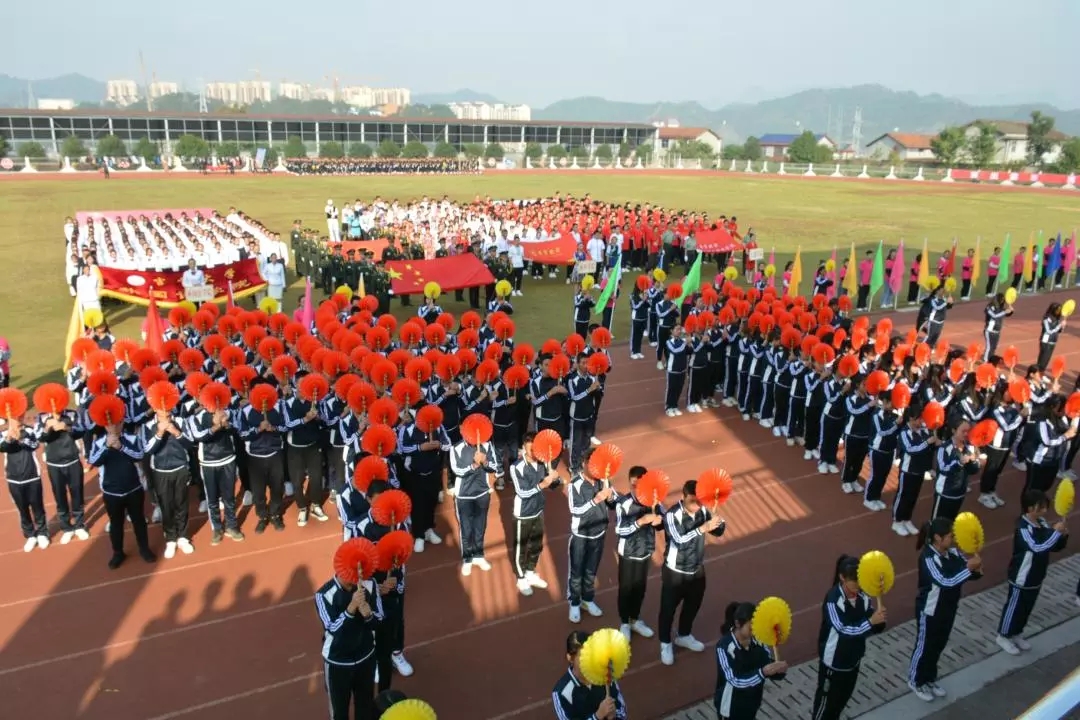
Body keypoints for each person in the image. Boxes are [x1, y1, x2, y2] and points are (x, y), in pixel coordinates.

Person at [909, 517, 982, 702]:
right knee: (925, 646)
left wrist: (976, 570)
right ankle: (916, 680)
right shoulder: (928, 558)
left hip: (948, 608)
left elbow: (964, 572)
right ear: (937, 538)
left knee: (938, 645)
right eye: (950, 536)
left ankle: (929, 679)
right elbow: (945, 581)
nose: (953, 539)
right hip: (930, 610)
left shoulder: (953, 552)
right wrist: (968, 569)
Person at [811, 555, 887, 720]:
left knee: (840, 702)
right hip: (834, 663)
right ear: (842, 578)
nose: (857, 585)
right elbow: (843, 630)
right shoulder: (833, 600)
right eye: (853, 581)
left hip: (853, 660)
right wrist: (870, 622)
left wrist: (879, 621)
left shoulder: (863, 596)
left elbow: (870, 623)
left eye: (859, 580)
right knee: (825, 705)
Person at [659, 479, 725, 665]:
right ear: (684, 497)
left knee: (693, 605)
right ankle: (665, 643)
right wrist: (703, 528)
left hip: (696, 569)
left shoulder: (703, 510)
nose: (697, 505)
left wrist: (717, 519)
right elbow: (679, 540)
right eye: (693, 501)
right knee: (668, 609)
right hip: (675, 571)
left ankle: (684, 635)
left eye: (699, 501)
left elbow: (719, 531)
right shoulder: (671, 515)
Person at [996, 490, 1068, 655]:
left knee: (1027, 607)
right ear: (1029, 508)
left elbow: (1051, 545)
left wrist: (1062, 537)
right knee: (1015, 606)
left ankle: (1017, 633)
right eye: (1040, 507)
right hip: (1022, 576)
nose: (1044, 510)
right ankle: (1003, 635)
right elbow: (1037, 547)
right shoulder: (1023, 528)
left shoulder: (1042, 522)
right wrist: (1055, 533)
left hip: (1036, 575)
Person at [358, 481, 414, 687]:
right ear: (368, 500)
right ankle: (375, 660)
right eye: (377, 500)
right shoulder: (360, 526)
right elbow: (357, 562)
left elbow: (404, 552)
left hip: (393, 580)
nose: (382, 505)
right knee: (373, 622)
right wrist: (374, 587)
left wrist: (396, 580)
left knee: (397, 618)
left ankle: (397, 653)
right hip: (372, 583)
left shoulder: (398, 523)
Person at [316, 542, 381, 720]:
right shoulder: (324, 595)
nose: (358, 577)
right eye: (354, 572)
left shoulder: (370, 584)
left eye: (360, 571)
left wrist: (369, 615)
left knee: (365, 707)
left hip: (366, 657)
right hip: (337, 662)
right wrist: (351, 609)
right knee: (339, 712)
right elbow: (332, 628)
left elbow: (379, 620)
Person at [87, 420, 156, 568]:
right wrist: (106, 446)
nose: (113, 427)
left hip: (133, 488)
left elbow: (139, 455)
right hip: (111, 492)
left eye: (117, 424)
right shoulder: (99, 442)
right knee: (116, 523)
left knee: (139, 520)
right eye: (109, 425)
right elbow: (93, 460)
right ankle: (118, 553)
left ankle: (144, 549)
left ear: (122, 424)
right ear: (105, 426)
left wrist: (121, 447)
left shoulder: (132, 438)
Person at [714, 601, 787, 720]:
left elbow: (766, 663)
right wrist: (762, 672)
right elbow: (734, 680)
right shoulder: (724, 647)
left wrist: (778, 670)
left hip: (752, 703)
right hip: (731, 708)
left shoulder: (758, 640)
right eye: (751, 626)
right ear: (738, 624)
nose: (754, 630)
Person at [567, 446, 616, 622]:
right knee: (576, 572)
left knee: (591, 571)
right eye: (592, 463)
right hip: (581, 536)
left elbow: (614, 504)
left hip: (599, 534)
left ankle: (587, 600)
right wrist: (596, 499)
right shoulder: (575, 484)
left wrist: (610, 497)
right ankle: (574, 603)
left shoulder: (604, 480)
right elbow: (575, 509)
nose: (596, 467)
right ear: (584, 463)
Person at [188, 394, 244, 545]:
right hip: (208, 463)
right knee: (212, 499)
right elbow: (198, 436)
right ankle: (217, 528)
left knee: (229, 497)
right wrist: (216, 426)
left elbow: (238, 428)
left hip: (228, 459)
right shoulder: (196, 417)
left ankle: (232, 525)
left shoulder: (227, 412)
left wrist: (227, 424)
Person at [614, 465, 662, 641]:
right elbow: (619, 529)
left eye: (639, 485)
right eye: (632, 485)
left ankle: (635, 620)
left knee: (640, 588)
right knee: (626, 589)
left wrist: (659, 520)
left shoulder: (654, 502)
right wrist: (640, 522)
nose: (635, 488)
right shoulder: (623, 503)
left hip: (645, 551)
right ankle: (624, 623)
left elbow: (662, 522)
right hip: (628, 553)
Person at [143, 403, 195, 557]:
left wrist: (176, 432)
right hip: (161, 472)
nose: (165, 411)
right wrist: (159, 433)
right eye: (161, 408)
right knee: (166, 506)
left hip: (180, 468)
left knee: (181, 504)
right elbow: (147, 449)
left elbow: (190, 443)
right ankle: (171, 539)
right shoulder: (148, 426)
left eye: (167, 407)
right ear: (155, 409)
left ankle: (183, 537)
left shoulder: (180, 421)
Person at [510, 432, 558, 596]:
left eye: (534, 449)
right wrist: (542, 484)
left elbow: (552, 486)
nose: (532, 453)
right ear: (524, 447)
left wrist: (555, 478)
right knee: (520, 547)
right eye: (530, 449)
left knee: (537, 544)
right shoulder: (516, 467)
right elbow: (522, 492)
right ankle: (521, 578)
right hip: (523, 514)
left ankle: (530, 571)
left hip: (538, 510)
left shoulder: (543, 463)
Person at [36, 404, 89, 544]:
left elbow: (81, 431)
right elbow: (39, 437)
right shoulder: (42, 417)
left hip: (72, 461)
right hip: (54, 464)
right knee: (60, 497)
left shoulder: (71, 414)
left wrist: (67, 428)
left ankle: (79, 525)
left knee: (77, 494)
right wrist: (47, 428)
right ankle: (66, 528)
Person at [449, 425, 497, 576]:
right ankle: (467, 559)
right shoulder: (455, 448)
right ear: (462, 431)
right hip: (464, 495)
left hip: (482, 493)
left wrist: (485, 462)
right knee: (466, 528)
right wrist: (475, 465)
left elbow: (494, 466)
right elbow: (457, 470)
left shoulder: (487, 445)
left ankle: (479, 555)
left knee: (480, 526)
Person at [551, 630, 627, 719]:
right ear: (570, 658)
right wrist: (597, 716)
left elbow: (622, 712)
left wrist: (615, 715)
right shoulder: (561, 693)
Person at [1, 415, 49, 552]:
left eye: (19, 417)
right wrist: (9, 438)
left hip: (32, 476)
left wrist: (21, 438)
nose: (17, 420)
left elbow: (35, 445)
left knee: (37, 507)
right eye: (13, 418)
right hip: (14, 478)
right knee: (22, 509)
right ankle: (30, 535)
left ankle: (42, 533)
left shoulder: (29, 430)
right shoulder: (3, 433)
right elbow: (2, 447)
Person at [932, 420, 981, 522]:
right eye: (963, 431)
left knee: (950, 522)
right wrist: (959, 463)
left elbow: (974, 471)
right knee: (937, 523)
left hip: (959, 493)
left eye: (968, 431)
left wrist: (974, 462)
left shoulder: (970, 447)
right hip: (945, 493)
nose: (966, 434)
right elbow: (943, 468)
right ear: (954, 431)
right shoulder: (944, 448)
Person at [982, 293, 1011, 360]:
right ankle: (985, 361)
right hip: (989, 330)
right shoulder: (989, 307)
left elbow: (1007, 314)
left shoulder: (1001, 308)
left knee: (994, 347)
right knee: (989, 347)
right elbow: (994, 315)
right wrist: (1005, 312)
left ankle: (990, 360)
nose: (1002, 301)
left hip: (997, 331)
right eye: (1002, 300)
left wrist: (1010, 310)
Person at [1037, 303, 1065, 370]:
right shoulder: (1047, 319)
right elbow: (1048, 331)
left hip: (1053, 342)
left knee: (1046, 359)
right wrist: (1059, 326)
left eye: (1060, 310)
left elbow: (1058, 331)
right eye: (1058, 310)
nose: (1059, 312)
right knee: (1043, 359)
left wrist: (1062, 327)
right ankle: (1038, 372)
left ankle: (1040, 372)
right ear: (1053, 309)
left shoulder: (1057, 319)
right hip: (1046, 341)